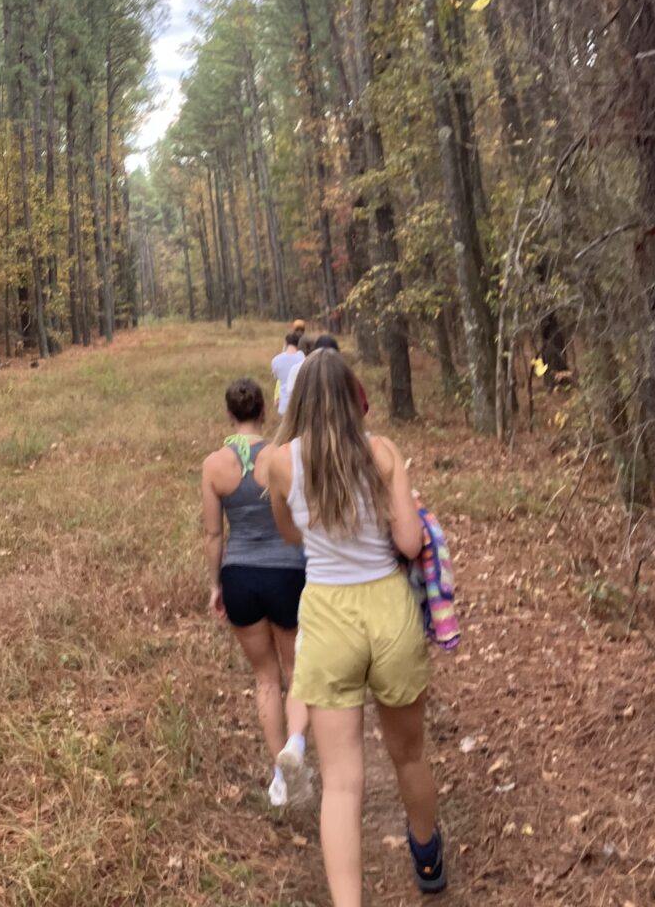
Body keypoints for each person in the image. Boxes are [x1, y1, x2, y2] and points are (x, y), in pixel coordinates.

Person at [268, 350, 445, 904]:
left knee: (342, 782)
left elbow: (292, 536)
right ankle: (427, 857)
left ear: (298, 400)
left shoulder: (278, 463)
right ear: (353, 397)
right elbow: (410, 543)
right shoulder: (384, 453)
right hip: (388, 611)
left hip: (326, 616)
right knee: (409, 753)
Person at [201, 379, 312, 807]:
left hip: (240, 575)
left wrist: (216, 585)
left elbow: (214, 534)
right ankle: (296, 747)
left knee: (265, 677)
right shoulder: (283, 457)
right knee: (297, 669)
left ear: (230, 415)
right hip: (287, 572)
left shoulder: (213, 466)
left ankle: (279, 777)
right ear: (264, 412)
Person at [287, 334, 369, 415]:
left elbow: (294, 401)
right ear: (337, 352)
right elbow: (363, 405)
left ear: (315, 352)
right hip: (343, 424)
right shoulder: (345, 372)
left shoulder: (306, 372)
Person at [271, 332, 305, 416]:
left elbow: (276, 377)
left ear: (285, 343)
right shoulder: (303, 358)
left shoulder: (276, 360)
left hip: (284, 405)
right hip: (300, 405)